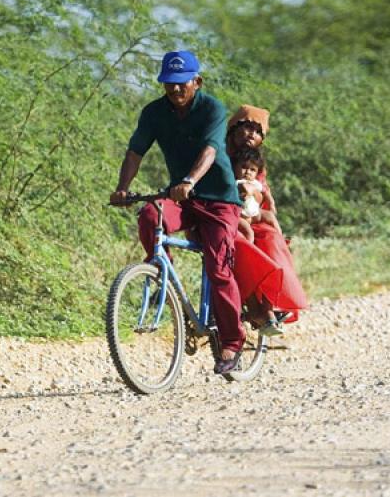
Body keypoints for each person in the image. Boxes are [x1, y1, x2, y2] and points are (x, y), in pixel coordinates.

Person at [109, 50, 246, 374]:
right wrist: (122, 188)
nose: (174, 90)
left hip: (218, 200)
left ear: (196, 82)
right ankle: (164, 275)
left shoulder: (212, 107)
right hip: (183, 200)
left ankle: (232, 341)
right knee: (149, 215)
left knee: (218, 266)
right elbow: (135, 151)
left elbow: (210, 150)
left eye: (180, 84)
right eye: (168, 84)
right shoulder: (154, 112)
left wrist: (189, 179)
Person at [227, 105, 308, 335]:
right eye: (246, 128)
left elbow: (263, 194)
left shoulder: (256, 163)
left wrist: (265, 209)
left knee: (273, 240)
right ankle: (257, 309)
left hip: (252, 215)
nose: (250, 135)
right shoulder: (220, 156)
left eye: (257, 131)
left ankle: (271, 304)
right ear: (233, 130)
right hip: (227, 215)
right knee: (243, 245)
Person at [233, 147, 282, 243]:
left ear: (257, 172)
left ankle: (281, 239)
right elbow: (244, 188)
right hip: (240, 216)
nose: (248, 172)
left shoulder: (256, 183)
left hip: (254, 213)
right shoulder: (236, 181)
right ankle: (249, 250)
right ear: (235, 167)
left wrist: (271, 203)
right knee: (249, 233)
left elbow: (265, 191)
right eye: (244, 167)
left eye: (252, 170)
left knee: (270, 216)